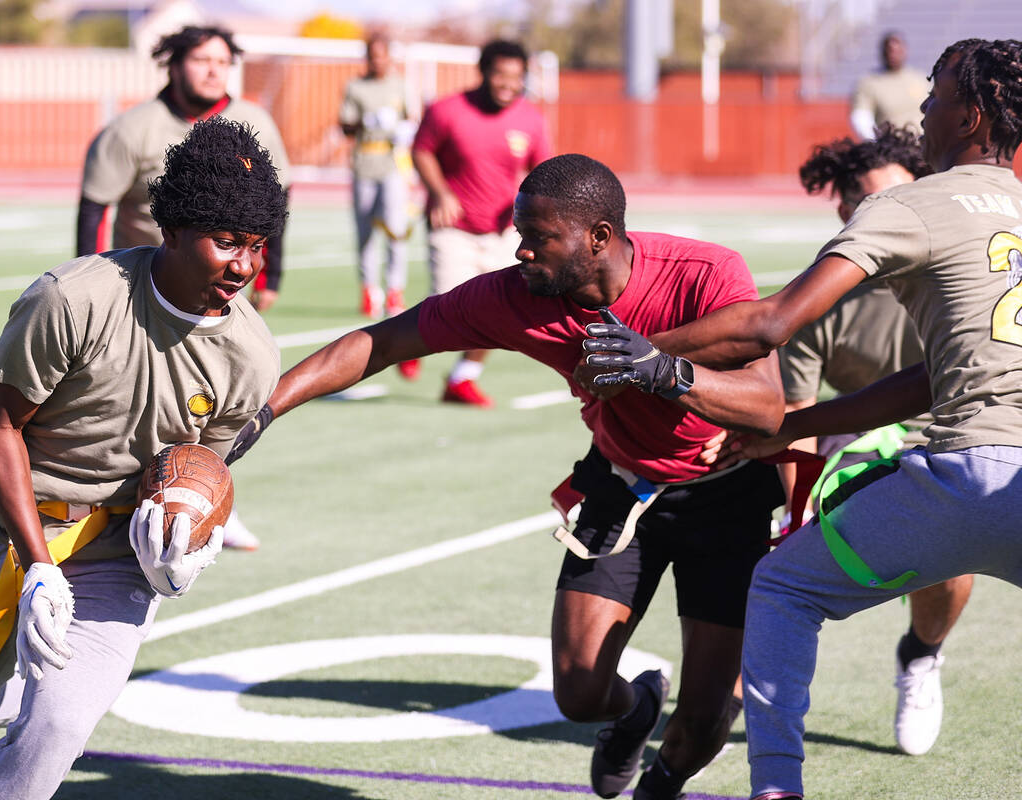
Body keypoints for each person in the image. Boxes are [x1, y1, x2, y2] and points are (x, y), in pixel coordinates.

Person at [227, 153, 787, 800]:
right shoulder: (515, 295)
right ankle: (635, 709)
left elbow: (767, 406)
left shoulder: (706, 272)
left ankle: (661, 783)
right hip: (622, 482)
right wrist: (270, 405)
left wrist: (660, 368)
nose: (519, 251)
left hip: (725, 495)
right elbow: (383, 342)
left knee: (702, 720)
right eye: (520, 235)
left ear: (599, 237)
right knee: (579, 693)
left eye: (538, 238)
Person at [585, 38, 1022, 800]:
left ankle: (777, 788)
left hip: (964, 474)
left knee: (783, 589)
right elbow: (935, 375)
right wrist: (793, 425)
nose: (920, 106)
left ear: (971, 114)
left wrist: (644, 357)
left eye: (936, 92)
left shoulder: (915, 202)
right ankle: (920, 657)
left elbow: (769, 323)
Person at [0, 117, 288, 800]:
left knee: (58, 728)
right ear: (168, 229)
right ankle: (11, 678)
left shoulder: (252, 356)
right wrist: (39, 568)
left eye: (257, 246)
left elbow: (200, 477)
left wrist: (181, 555)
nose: (244, 265)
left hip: (116, 550)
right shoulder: (75, 298)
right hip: (3, 518)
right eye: (227, 241)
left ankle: (42, 706)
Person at [784, 125, 972, 757]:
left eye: (907, 195)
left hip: (950, 439)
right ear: (846, 213)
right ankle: (720, 699)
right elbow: (797, 413)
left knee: (953, 553)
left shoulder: (960, 277)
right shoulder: (820, 296)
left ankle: (921, 655)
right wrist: (793, 513)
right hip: (847, 452)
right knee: (751, 556)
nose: (901, 213)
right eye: (874, 202)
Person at [77, 23, 290, 548]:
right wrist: (87, 275)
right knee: (134, 402)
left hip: (217, 293)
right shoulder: (133, 129)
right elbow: (94, 206)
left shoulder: (255, 122)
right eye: (201, 60)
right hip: (139, 292)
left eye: (222, 60)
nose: (213, 70)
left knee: (222, 397)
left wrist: (272, 273)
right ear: (173, 64)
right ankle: (103, 500)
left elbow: (276, 207)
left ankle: (204, 496)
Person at [411, 38, 551, 407]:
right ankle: (407, 337)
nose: (508, 84)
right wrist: (440, 192)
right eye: (500, 75)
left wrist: (528, 210)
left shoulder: (531, 118)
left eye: (516, 77)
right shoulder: (446, 110)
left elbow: (542, 170)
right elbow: (421, 151)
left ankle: (461, 379)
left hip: (505, 232)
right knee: (446, 314)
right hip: (452, 227)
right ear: (484, 73)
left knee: (499, 314)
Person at [339, 32, 420, 380]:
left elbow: (414, 119)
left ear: (390, 57)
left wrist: (401, 127)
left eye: (382, 55)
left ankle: (395, 290)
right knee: (364, 230)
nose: (377, 62)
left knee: (395, 230)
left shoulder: (401, 85)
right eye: (372, 56)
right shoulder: (355, 88)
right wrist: (365, 123)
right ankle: (369, 287)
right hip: (364, 164)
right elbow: (344, 124)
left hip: (392, 165)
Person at [850, 31, 929, 140]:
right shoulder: (869, 83)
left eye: (898, 50)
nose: (894, 54)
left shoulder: (921, 79)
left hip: (922, 147)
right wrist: (874, 141)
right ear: (883, 53)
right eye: (890, 50)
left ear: (905, 50)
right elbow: (861, 118)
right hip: (892, 148)